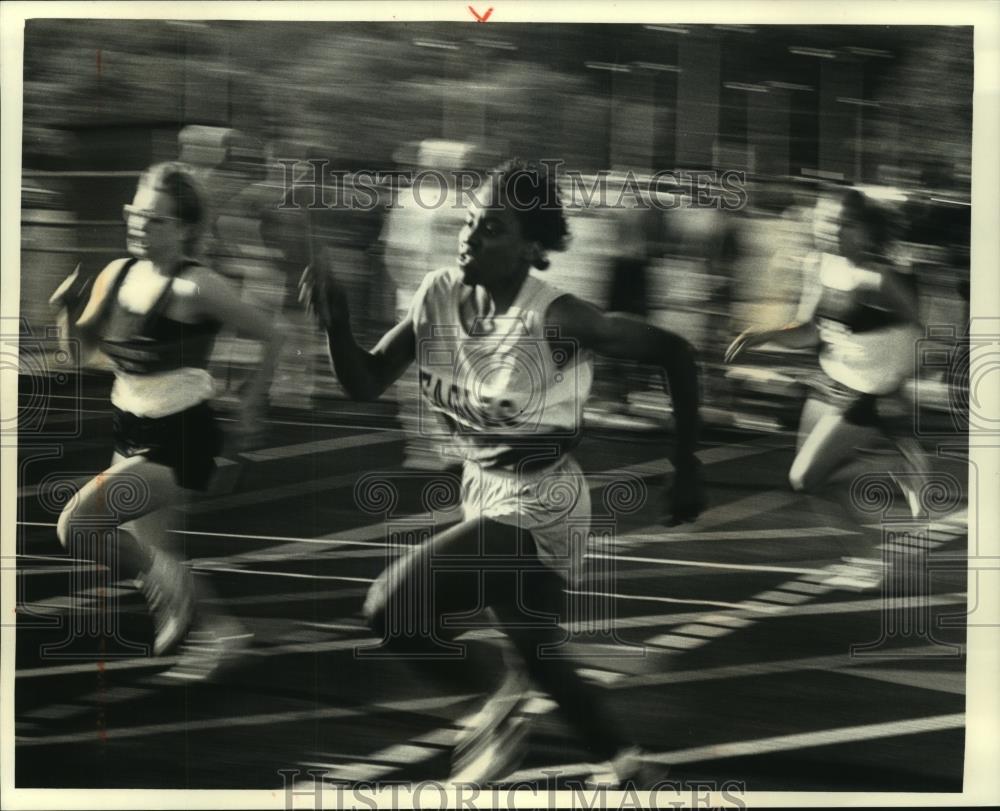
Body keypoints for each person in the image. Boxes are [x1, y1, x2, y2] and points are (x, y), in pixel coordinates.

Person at [300, 159, 705, 785]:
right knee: (538, 656)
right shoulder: (436, 295)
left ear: (530, 248)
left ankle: (494, 707)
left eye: (492, 228)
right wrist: (338, 326)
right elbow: (365, 380)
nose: (471, 235)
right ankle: (626, 763)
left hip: (544, 501)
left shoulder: (558, 319)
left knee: (391, 608)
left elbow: (676, 352)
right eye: (469, 222)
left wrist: (688, 465)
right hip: (482, 489)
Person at [49, 161, 284, 660]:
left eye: (155, 219)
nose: (139, 224)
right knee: (158, 554)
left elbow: (272, 335)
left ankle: (170, 591)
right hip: (129, 429)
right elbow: (83, 357)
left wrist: (250, 403)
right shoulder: (118, 274)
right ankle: (224, 633)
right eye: (136, 213)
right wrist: (65, 313)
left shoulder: (196, 287)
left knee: (79, 525)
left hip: (181, 438)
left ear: (184, 229)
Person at [725, 186, 928, 561]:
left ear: (866, 230)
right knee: (815, 484)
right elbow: (809, 329)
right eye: (826, 221)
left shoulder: (880, 279)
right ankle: (865, 558)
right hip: (830, 378)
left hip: (866, 389)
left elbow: (917, 335)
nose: (832, 230)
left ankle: (894, 462)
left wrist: (896, 389)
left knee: (804, 477)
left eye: (843, 223)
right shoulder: (818, 265)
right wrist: (761, 336)